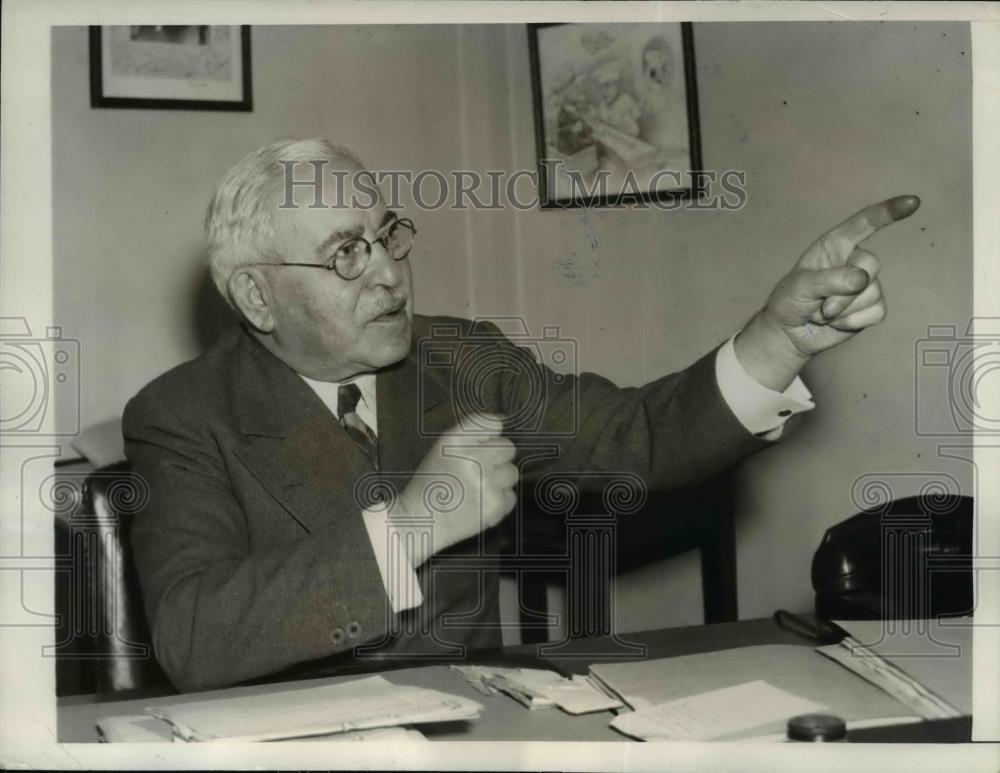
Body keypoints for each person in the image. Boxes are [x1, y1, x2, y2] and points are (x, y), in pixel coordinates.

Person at [123, 137, 919, 692]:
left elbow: (633, 435)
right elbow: (195, 636)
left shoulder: (464, 361)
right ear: (259, 295)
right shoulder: (182, 415)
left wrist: (777, 338)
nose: (393, 276)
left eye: (387, 236)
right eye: (346, 254)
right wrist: (413, 525)